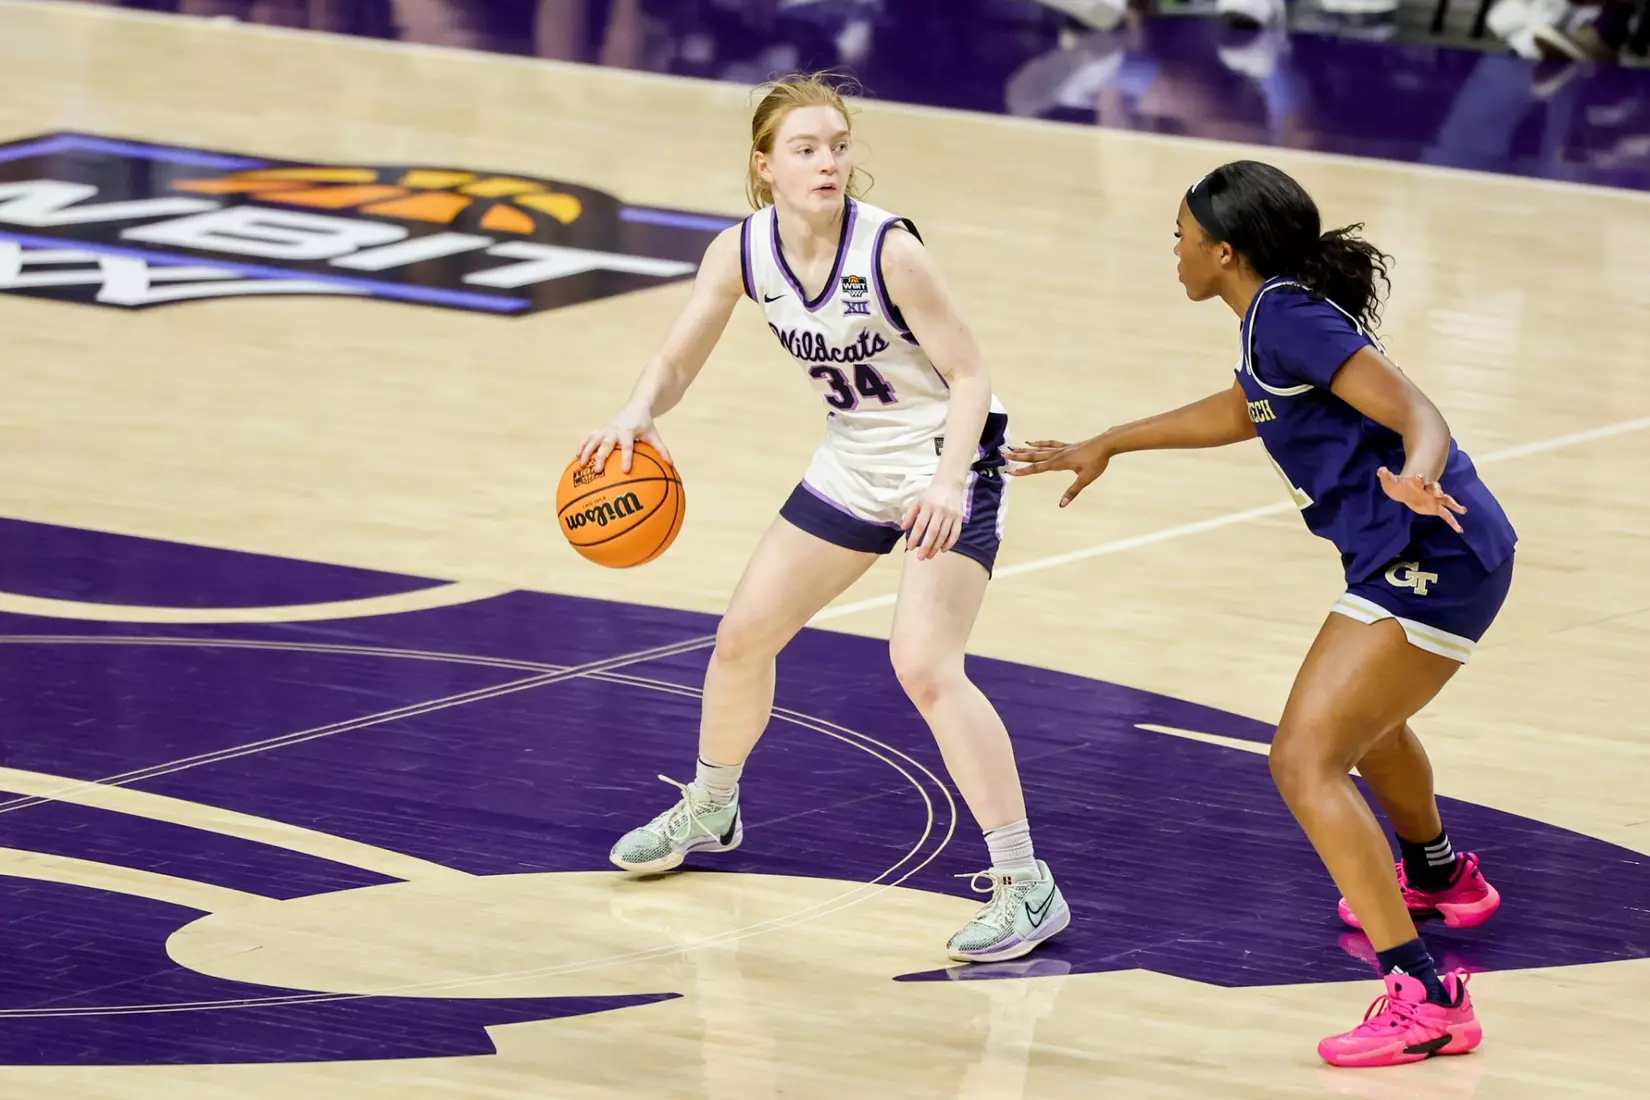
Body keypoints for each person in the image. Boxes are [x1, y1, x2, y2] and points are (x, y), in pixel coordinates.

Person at [1005, 160, 1513, 1067]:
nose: (1175, 251)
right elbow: (1247, 408)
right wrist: (1112, 441)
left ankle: (1425, 997)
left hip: (1432, 555)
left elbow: (1417, 412)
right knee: (1368, 724)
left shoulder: (1287, 313)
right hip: (1421, 553)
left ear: (1223, 250)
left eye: (1181, 236)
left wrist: (1421, 471)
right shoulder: (1270, 321)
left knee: (1303, 758)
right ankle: (1440, 878)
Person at [577, 73, 1069, 964]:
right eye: (805, 149)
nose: (829, 163)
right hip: (853, 460)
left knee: (924, 665)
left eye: (839, 146)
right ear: (764, 166)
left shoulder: (890, 251)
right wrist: (639, 410)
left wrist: (952, 481)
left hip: (944, 460)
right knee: (740, 638)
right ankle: (712, 807)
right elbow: (679, 352)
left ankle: (1026, 883)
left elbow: (971, 376)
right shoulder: (741, 251)